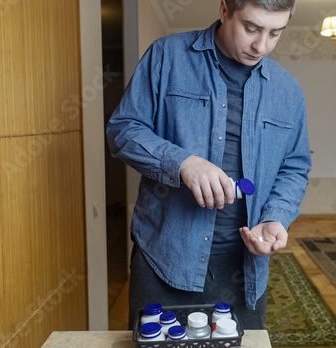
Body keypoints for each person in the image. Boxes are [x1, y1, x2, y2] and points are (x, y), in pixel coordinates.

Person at [106, 0, 311, 330]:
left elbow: (294, 167)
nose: (262, 45)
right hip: (163, 258)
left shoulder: (288, 90)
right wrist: (182, 162)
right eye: (251, 28)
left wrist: (276, 216)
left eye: (275, 33)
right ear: (224, 10)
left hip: (244, 269)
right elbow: (122, 130)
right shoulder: (166, 56)